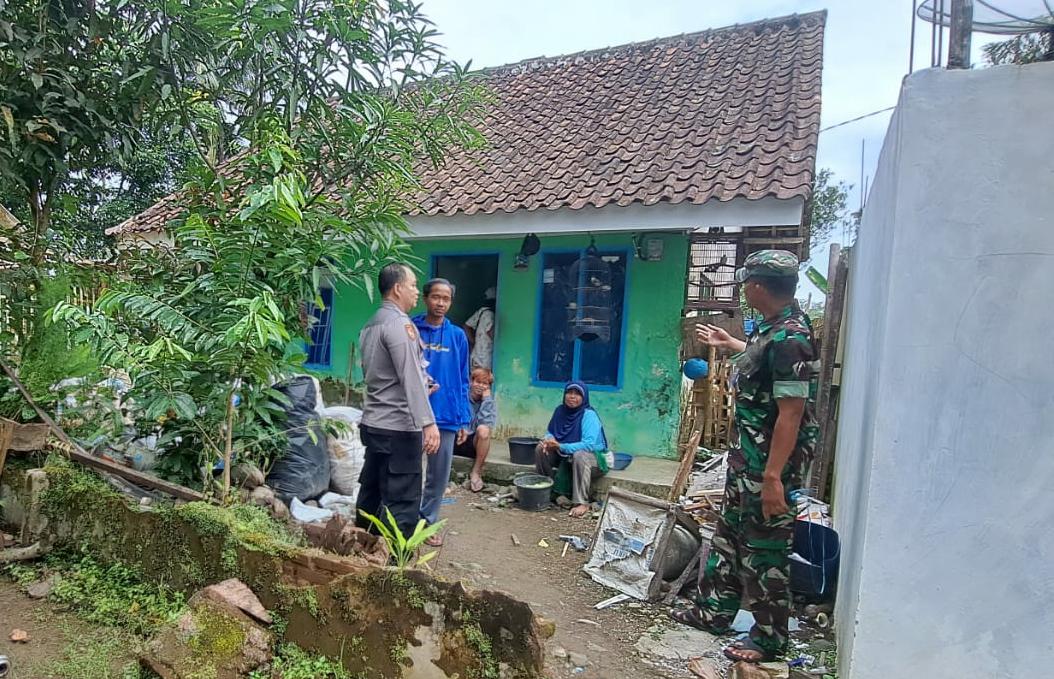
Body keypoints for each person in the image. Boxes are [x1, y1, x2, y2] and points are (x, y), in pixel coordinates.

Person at [671, 250, 819, 665]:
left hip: (769, 467)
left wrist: (773, 478)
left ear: (757, 286)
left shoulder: (792, 337)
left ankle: (770, 639)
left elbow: (791, 414)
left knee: (765, 548)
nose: (743, 290)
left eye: (745, 284)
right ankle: (713, 611)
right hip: (747, 460)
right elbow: (761, 363)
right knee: (729, 536)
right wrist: (731, 344)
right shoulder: (772, 329)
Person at [355, 263, 440, 539]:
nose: (417, 291)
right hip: (399, 428)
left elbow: (381, 374)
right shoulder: (400, 325)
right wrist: (428, 422)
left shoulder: (371, 323)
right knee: (401, 501)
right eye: (413, 285)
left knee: (372, 492)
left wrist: (425, 385)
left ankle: (360, 548)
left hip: (374, 423)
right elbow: (410, 377)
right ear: (397, 288)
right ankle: (393, 560)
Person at [413, 278, 471, 547]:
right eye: (436, 297)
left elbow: (463, 378)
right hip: (413, 413)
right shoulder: (411, 329)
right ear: (426, 298)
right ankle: (405, 519)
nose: (440, 303)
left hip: (445, 415)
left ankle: (427, 522)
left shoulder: (457, 336)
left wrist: (464, 418)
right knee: (409, 470)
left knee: (438, 476)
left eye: (446, 299)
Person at [534, 382, 614, 518]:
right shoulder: (560, 411)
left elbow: (588, 445)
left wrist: (560, 446)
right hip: (566, 455)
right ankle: (548, 490)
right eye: (569, 393)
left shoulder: (589, 415)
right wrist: (548, 440)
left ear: (584, 397)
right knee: (541, 448)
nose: (572, 396)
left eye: (577, 394)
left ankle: (581, 502)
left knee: (580, 455)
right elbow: (550, 431)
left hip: (594, 460)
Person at [453, 367, 498, 492]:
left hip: (473, 444)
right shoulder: (461, 397)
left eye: (485, 384)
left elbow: (485, 424)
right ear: (471, 382)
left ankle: (476, 472)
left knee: (484, 430)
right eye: (478, 382)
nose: (480, 386)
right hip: (456, 440)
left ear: (489, 387)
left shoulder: (489, 402)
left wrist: (486, 401)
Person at [463, 286, 496, 370]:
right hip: (485, 358)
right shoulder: (489, 314)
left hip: (476, 356)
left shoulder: (482, 311)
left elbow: (467, 326)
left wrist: (474, 342)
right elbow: (491, 333)